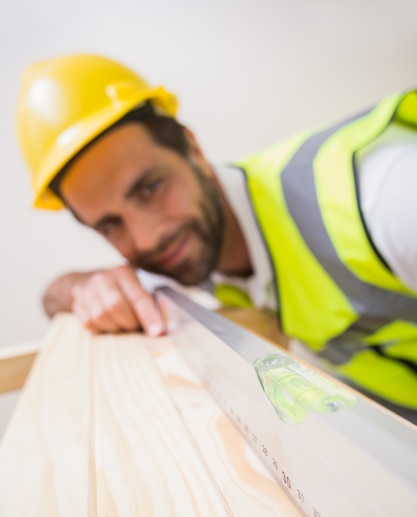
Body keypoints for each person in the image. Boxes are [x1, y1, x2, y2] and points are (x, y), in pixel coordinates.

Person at [16, 53, 417, 422]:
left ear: (193, 149)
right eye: (110, 225)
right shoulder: (185, 252)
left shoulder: (386, 197)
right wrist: (85, 288)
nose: (147, 237)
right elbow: (54, 295)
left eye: (150, 188)